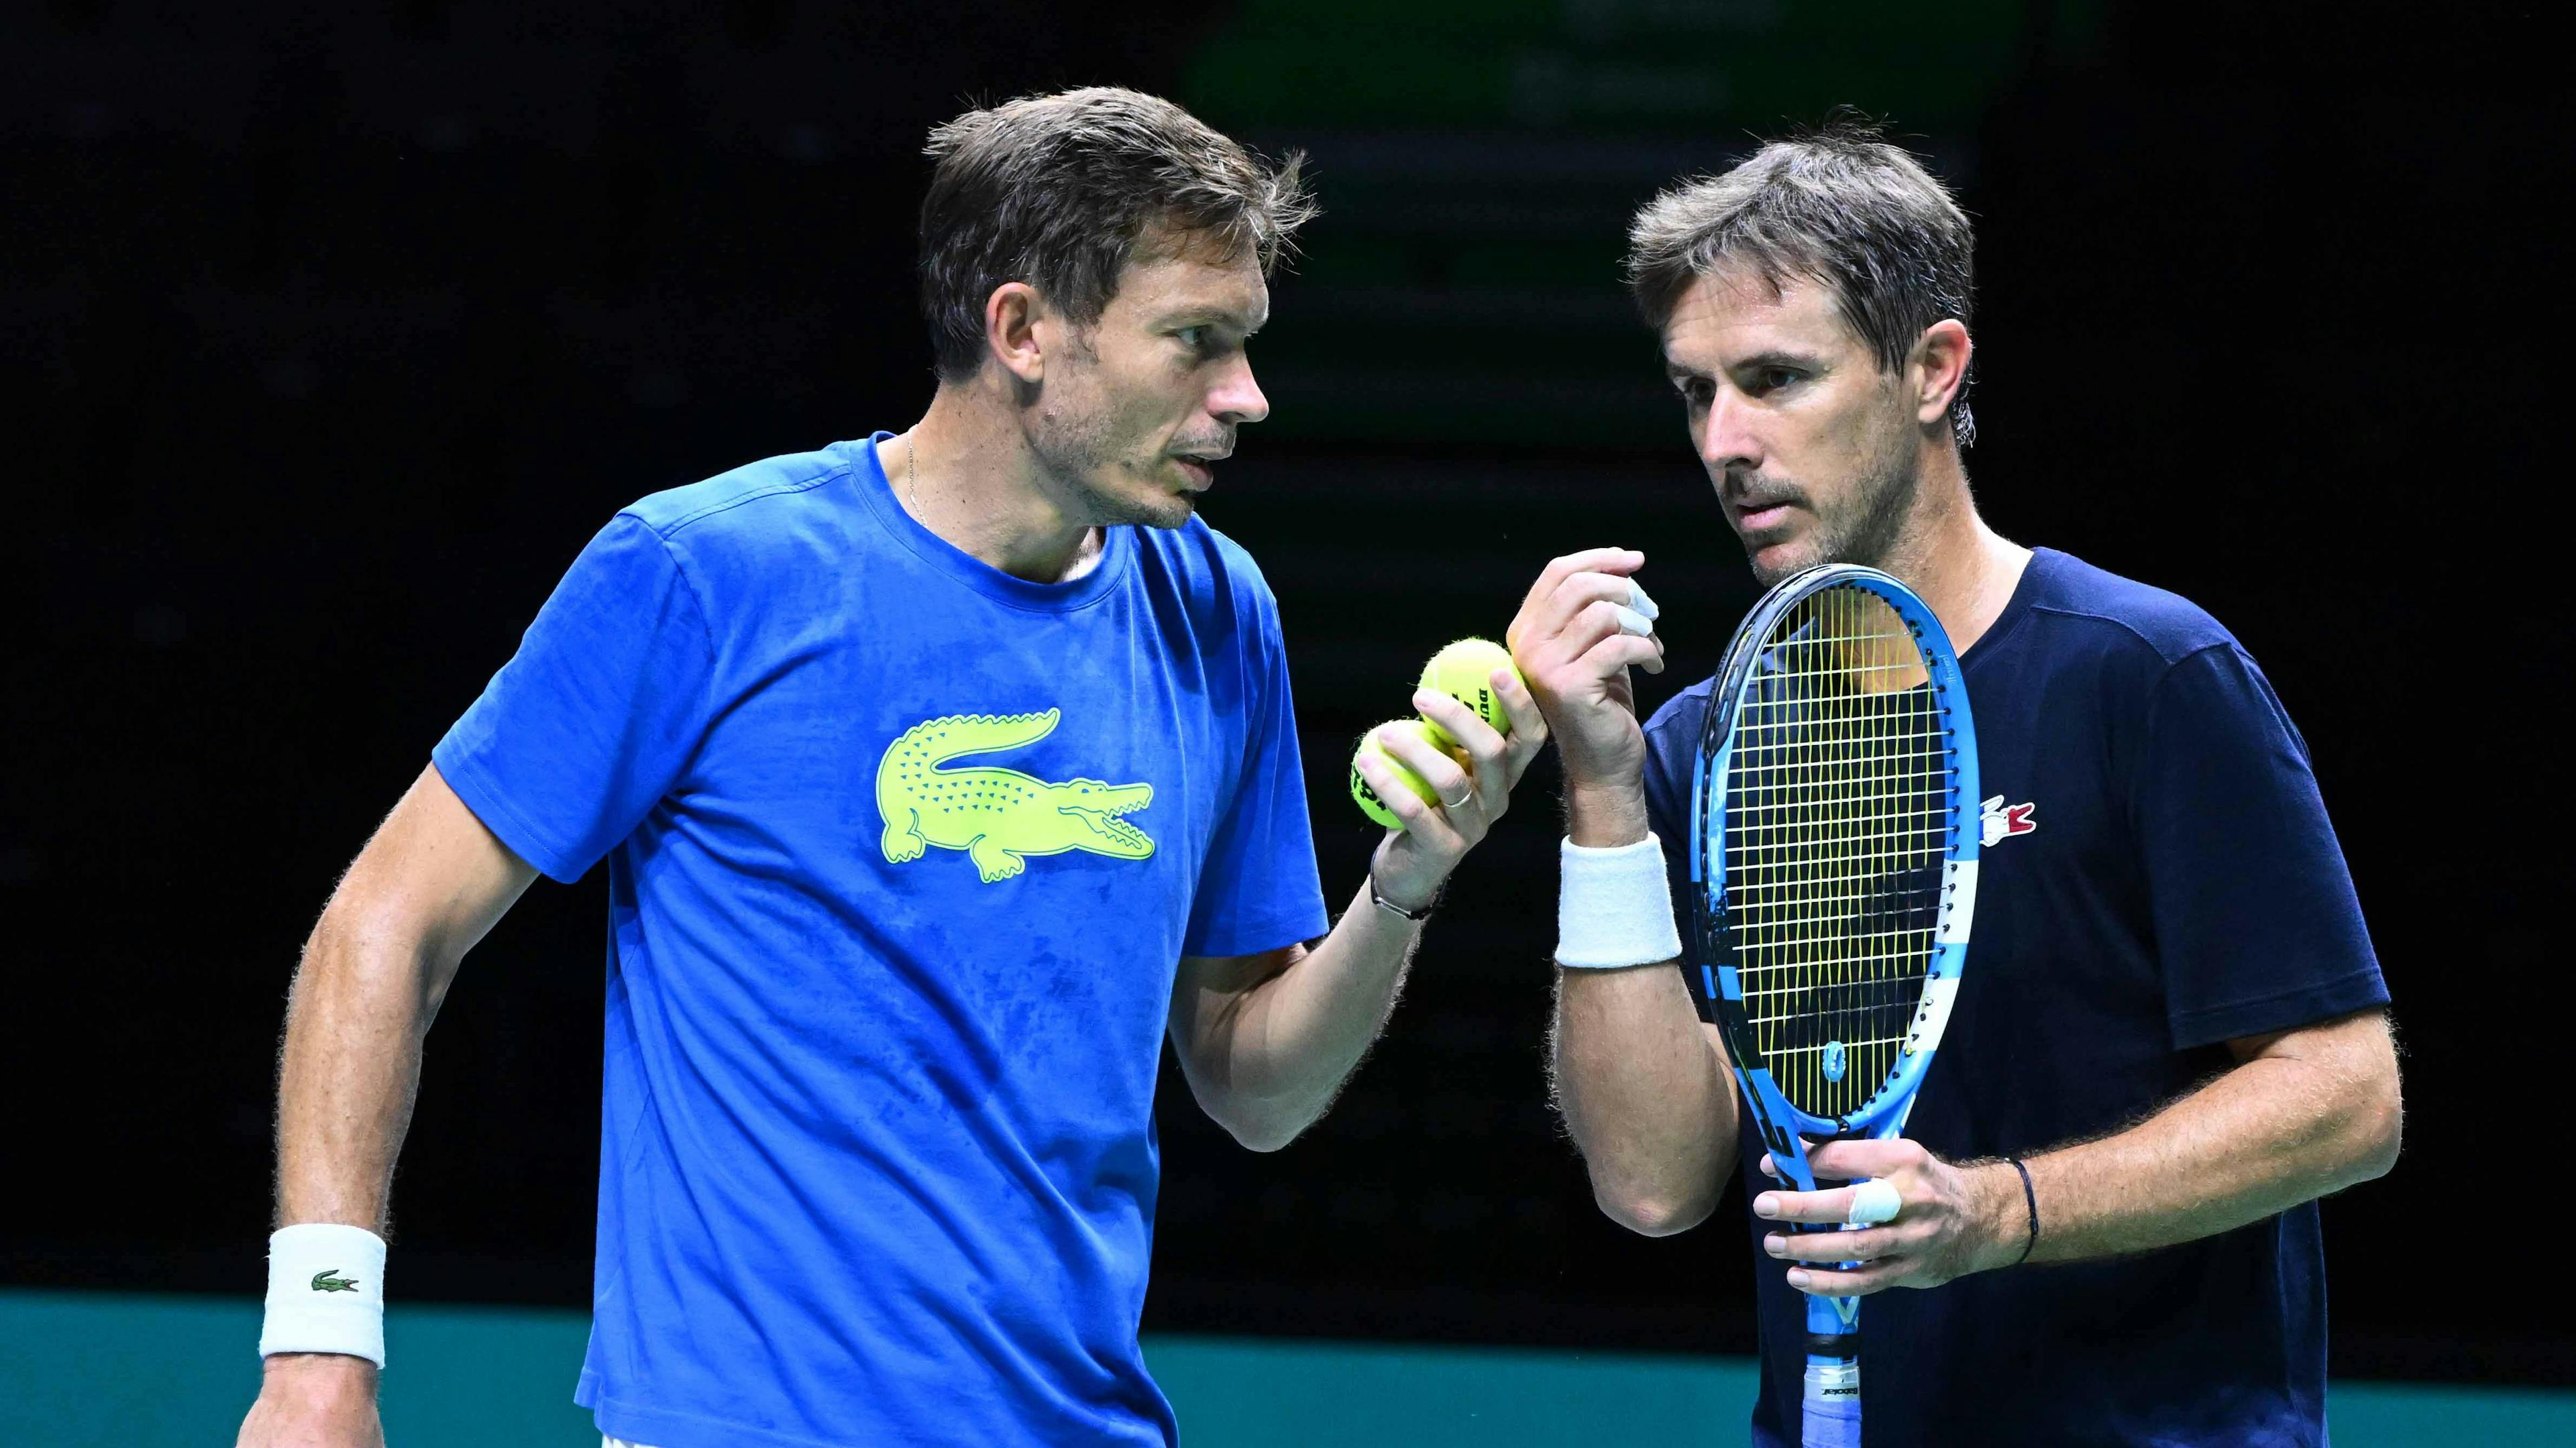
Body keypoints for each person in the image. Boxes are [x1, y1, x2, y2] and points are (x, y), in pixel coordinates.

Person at [236, 87, 1544, 1448]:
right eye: (1195, 346)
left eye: (1249, 346)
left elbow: (1254, 1086)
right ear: (1024, 330)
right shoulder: (705, 572)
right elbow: (385, 927)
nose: (1245, 398)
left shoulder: (1218, 609)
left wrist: (1407, 883)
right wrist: (321, 1349)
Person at [1510, 119, 2402, 1445]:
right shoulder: (1707, 746)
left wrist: (1994, 1216)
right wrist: (1600, 799)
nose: (1726, 441)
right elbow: (1650, 1181)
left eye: (1776, 377)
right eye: (1697, 391)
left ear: (1932, 369)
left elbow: (2348, 1097)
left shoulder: (2144, 677)